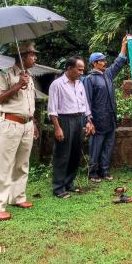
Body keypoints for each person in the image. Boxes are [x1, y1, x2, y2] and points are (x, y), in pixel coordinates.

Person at [0, 42, 40, 221]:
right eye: (32, 55)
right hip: (9, 124)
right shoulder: (4, 75)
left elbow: (28, 104)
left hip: (26, 125)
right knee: (2, 166)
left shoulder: (29, 76)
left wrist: (33, 123)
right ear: (22, 56)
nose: (35, 58)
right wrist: (17, 85)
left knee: (22, 164)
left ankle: (17, 197)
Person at [48, 56, 94, 198]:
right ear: (69, 68)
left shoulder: (80, 83)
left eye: (82, 70)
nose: (81, 72)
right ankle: (58, 188)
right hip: (64, 120)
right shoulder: (57, 84)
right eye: (79, 69)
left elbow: (85, 104)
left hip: (79, 119)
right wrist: (57, 127)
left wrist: (89, 120)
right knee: (62, 154)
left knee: (75, 153)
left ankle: (69, 183)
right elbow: (52, 109)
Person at [83, 36, 128, 182]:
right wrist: (88, 120)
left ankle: (105, 171)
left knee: (108, 146)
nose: (105, 62)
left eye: (104, 60)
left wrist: (123, 46)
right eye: (102, 60)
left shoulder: (107, 74)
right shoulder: (90, 79)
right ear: (95, 64)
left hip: (110, 118)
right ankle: (93, 173)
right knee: (96, 146)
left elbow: (118, 63)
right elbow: (86, 101)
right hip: (98, 120)